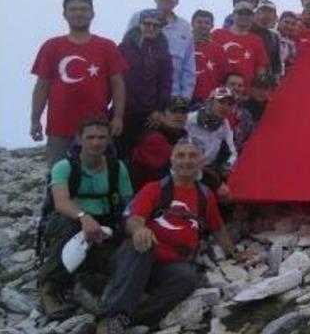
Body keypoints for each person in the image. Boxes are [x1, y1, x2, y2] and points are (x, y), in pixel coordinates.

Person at [96, 137, 247, 333]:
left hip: (169, 266)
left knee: (188, 280)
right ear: (172, 160)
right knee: (143, 246)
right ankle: (111, 316)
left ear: (201, 161)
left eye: (193, 156)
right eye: (180, 156)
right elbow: (134, 219)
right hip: (136, 257)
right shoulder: (154, 189)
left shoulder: (205, 196)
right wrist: (140, 230)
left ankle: (129, 319)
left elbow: (217, 228)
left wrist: (234, 253)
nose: (186, 161)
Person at [38, 117, 133, 319]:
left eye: (101, 137)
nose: (96, 143)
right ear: (79, 139)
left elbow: (127, 203)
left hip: (106, 222)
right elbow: (61, 202)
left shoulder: (117, 168)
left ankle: (86, 281)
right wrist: (84, 217)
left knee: (121, 249)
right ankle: (50, 287)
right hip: (69, 220)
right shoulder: (64, 166)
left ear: (108, 140)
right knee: (69, 226)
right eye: (90, 137)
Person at [31, 0, 127, 166]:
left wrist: (118, 117)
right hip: (60, 127)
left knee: (102, 175)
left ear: (92, 13)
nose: (78, 13)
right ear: (64, 14)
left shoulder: (107, 46)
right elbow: (42, 86)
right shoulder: (51, 46)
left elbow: (118, 84)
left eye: (83, 9)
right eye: (73, 9)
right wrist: (35, 119)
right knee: (58, 175)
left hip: (98, 128)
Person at [117, 10, 173, 159]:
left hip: (149, 113)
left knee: (147, 154)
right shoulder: (123, 48)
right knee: (121, 152)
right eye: (147, 24)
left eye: (156, 26)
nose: (151, 28)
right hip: (124, 110)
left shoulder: (164, 53)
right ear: (140, 24)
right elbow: (115, 79)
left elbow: (165, 84)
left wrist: (159, 110)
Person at [126, 0, 195, 99]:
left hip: (172, 98)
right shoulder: (138, 18)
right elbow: (126, 54)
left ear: (177, 1)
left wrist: (184, 99)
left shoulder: (185, 28)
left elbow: (188, 68)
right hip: (138, 97)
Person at [185, 87, 238, 200]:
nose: (225, 107)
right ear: (209, 102)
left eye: (229, 104)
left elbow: (233, 152)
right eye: (221, 102)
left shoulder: (225, 124)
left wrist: (227, 166)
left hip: (209, 170)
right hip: (186, 168)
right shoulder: (190, 120)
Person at [130, 97, 189, 191]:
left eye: (183, 112)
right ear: (161, 116)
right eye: (173, 111)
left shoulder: (182, 137)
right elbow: (183, 166)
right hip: (149, 195)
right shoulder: (152, 138)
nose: (179, 116)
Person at [211, 5, 270, 87]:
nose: (244, 16)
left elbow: (260, 68)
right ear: (233, 15)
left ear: (253, 17)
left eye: (248, 14)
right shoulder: (217, 34)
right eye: (240, 13)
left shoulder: (257, 40)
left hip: (244, 92)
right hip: (218, 90)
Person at [191, 10, 227, 104]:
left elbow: (224, 78)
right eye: (199, 22)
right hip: (185, 97)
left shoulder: (218, 49)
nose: (203, 25)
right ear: (192, 24)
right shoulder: (183, 45)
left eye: (207, 23)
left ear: (212, 26)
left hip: (208, 99)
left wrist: (219, 99)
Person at [221, 72, 255, 151]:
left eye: (240, 86)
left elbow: (250, 139)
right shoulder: (207, 107)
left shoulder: (246, 115)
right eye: (232, 84)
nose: (236, 88)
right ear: (223, 86)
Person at [253, 0, 283, 79]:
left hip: (266, 80)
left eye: (269, 12)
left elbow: (277, 63)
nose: (266, 14)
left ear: (274, 16)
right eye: (263, 11)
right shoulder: (249, 32)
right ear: (257, 14)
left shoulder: (274, 37)